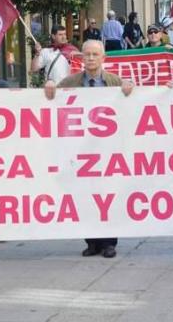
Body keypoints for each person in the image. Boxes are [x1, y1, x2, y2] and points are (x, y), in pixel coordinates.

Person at [44, 40, 134, 258]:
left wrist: (130, 88)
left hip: (107, 151)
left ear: (103, 58)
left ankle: (109, 242)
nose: (91, 58)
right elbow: (52, 99)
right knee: (83, 196)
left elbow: (132, 105)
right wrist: (50, 85)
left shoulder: (115, 82)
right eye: (87, 54)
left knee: (106, 196)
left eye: (95, 54)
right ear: (81, 58)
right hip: (79, 151)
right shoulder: (70, 82)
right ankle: (92, 241)